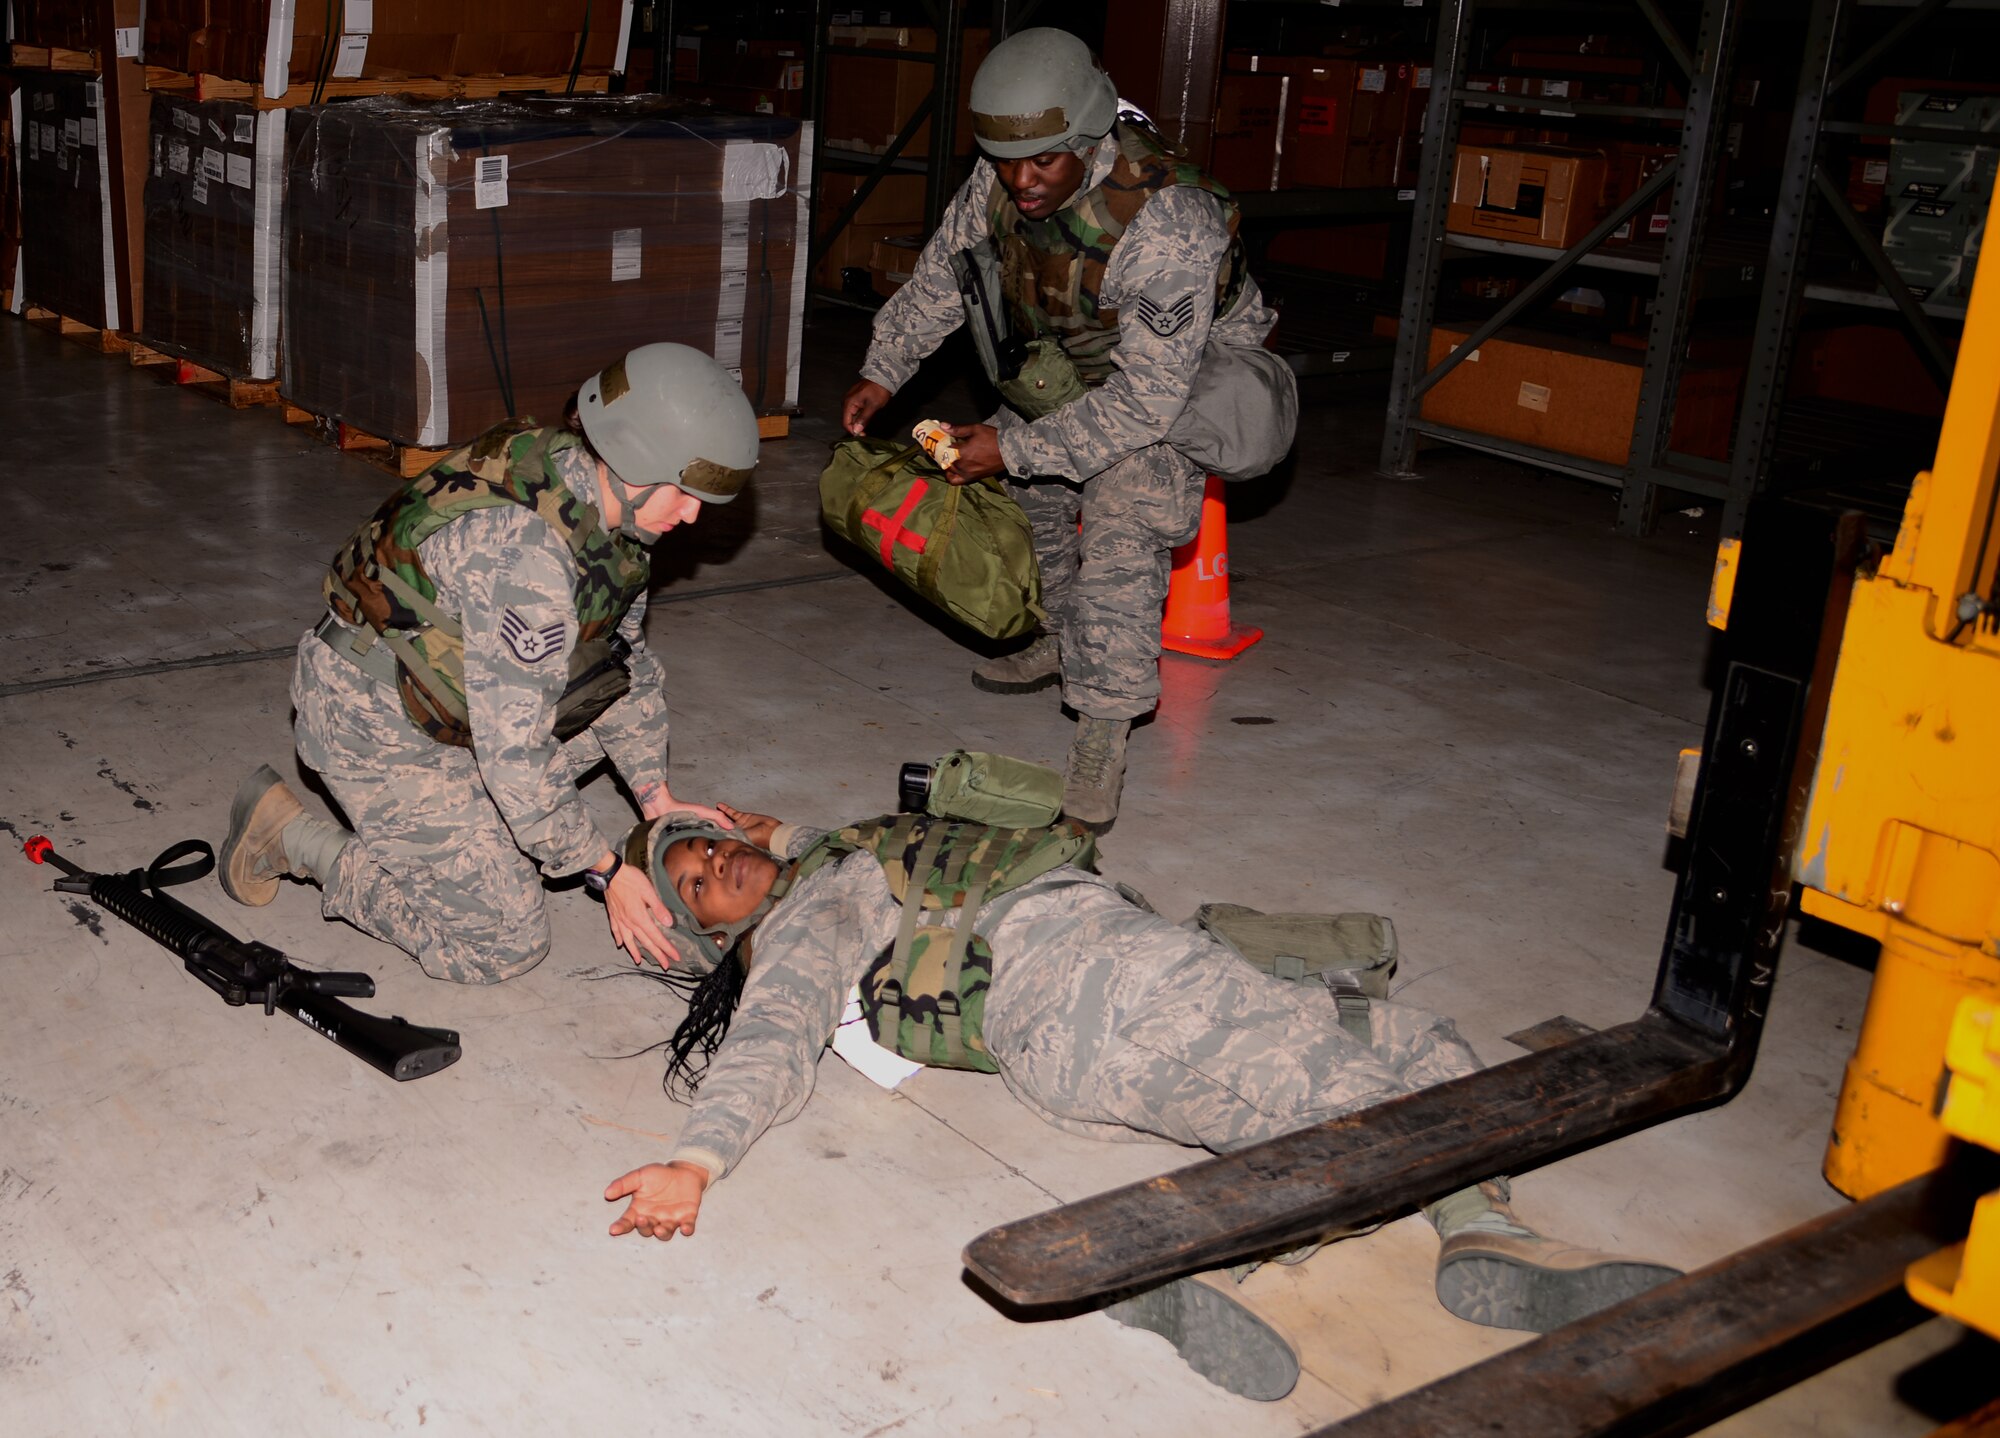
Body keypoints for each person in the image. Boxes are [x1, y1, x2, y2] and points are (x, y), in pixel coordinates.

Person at [602, 809, 1682, 1399]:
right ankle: (1215, 1255)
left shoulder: (824, 857)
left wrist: (778, 831)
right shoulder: (802, 922)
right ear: (715, 937)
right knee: (1337, 1096)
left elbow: (818, 838)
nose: (717, 861)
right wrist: (699, 1159)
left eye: (707, 842)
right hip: (1093, 994)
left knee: (1402, 1037)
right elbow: (773, 1033)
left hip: (1116, 978)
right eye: (698, 881)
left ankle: (1469, 1226)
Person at [840, 27, 1293, 829]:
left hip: (1179, 383)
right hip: (1076, 354)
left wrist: (1010, 442)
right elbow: (944, 276)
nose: (1022, 180)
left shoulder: (1168, 218)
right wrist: (884, 370)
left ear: (1087, 137)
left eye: (1044, 161)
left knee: (1124, 514)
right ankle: (1058, 634)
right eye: (1008, 159)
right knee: (1024, 494)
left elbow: (1146, 400)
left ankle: (1104, 732)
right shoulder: (1003, 173)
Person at [215, 343, 762, 984]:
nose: (693, 514)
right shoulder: (529, 559)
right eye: (685, 492)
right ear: (636, 461)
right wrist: (603, 867)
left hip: (449, 698)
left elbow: (621, 664)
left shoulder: (602, 503)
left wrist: (654, 794)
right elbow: (516, 759)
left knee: (523, 820)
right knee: (504, 940)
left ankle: (464, 839)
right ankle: (286, 835)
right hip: (372, 724)